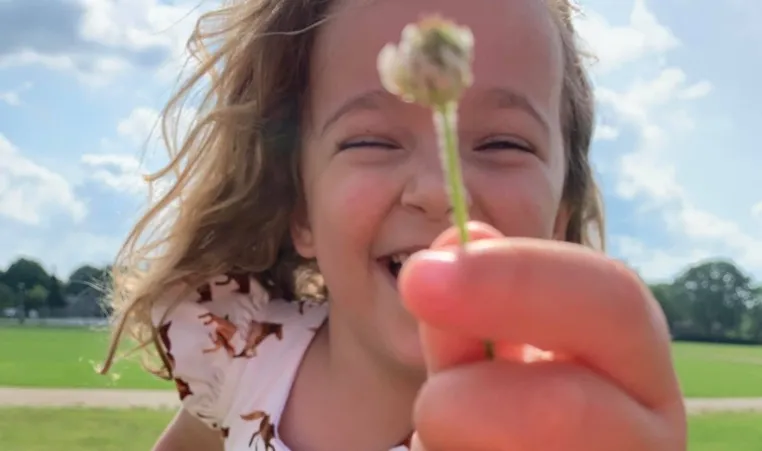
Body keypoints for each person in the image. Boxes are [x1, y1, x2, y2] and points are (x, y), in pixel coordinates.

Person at [101, 0, 687, 449]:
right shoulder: (241, 352)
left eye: (506, 142)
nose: (436, 192)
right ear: (301, 209)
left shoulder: (552, 429)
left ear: (560, 215)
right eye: (370, 141)